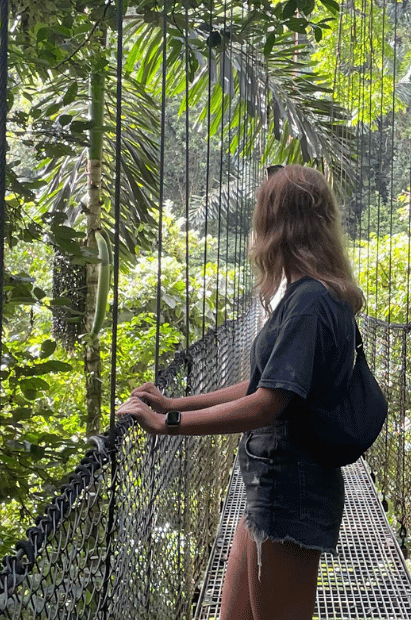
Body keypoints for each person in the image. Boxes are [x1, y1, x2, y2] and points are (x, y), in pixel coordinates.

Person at [119, 165, 366, 620]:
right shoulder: (306, 296)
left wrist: (167, 425)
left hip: (288, 491)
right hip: (268, 486)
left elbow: (265, 404)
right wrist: (176, 403)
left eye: (260, 211)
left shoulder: (310, 302)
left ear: (277, 225)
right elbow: (262, 382)